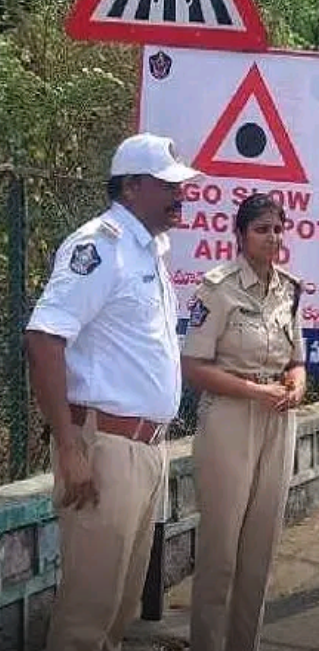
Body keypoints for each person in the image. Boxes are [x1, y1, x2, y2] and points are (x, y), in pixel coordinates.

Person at [23, 133, 200, 651]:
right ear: (131, 187)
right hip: (104, 449)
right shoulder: (100, 247)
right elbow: (44, 338)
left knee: (119, 608)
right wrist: (69, 446)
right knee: (88, 613)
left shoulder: (149, 251)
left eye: (181, 186)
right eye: (168, 186)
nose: (180, 195)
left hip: (145, 450)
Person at [182, 193, 307, 651]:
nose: (272, 238)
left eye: (277, 229)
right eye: (261, 229)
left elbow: (296, 359)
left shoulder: (290, 289)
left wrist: (297, 384)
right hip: (230, 419)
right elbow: (193, 367)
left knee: (261, 548)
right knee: (221, 549)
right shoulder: (217, 289)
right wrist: (255, 391)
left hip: (278, 421)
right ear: (239, 235)